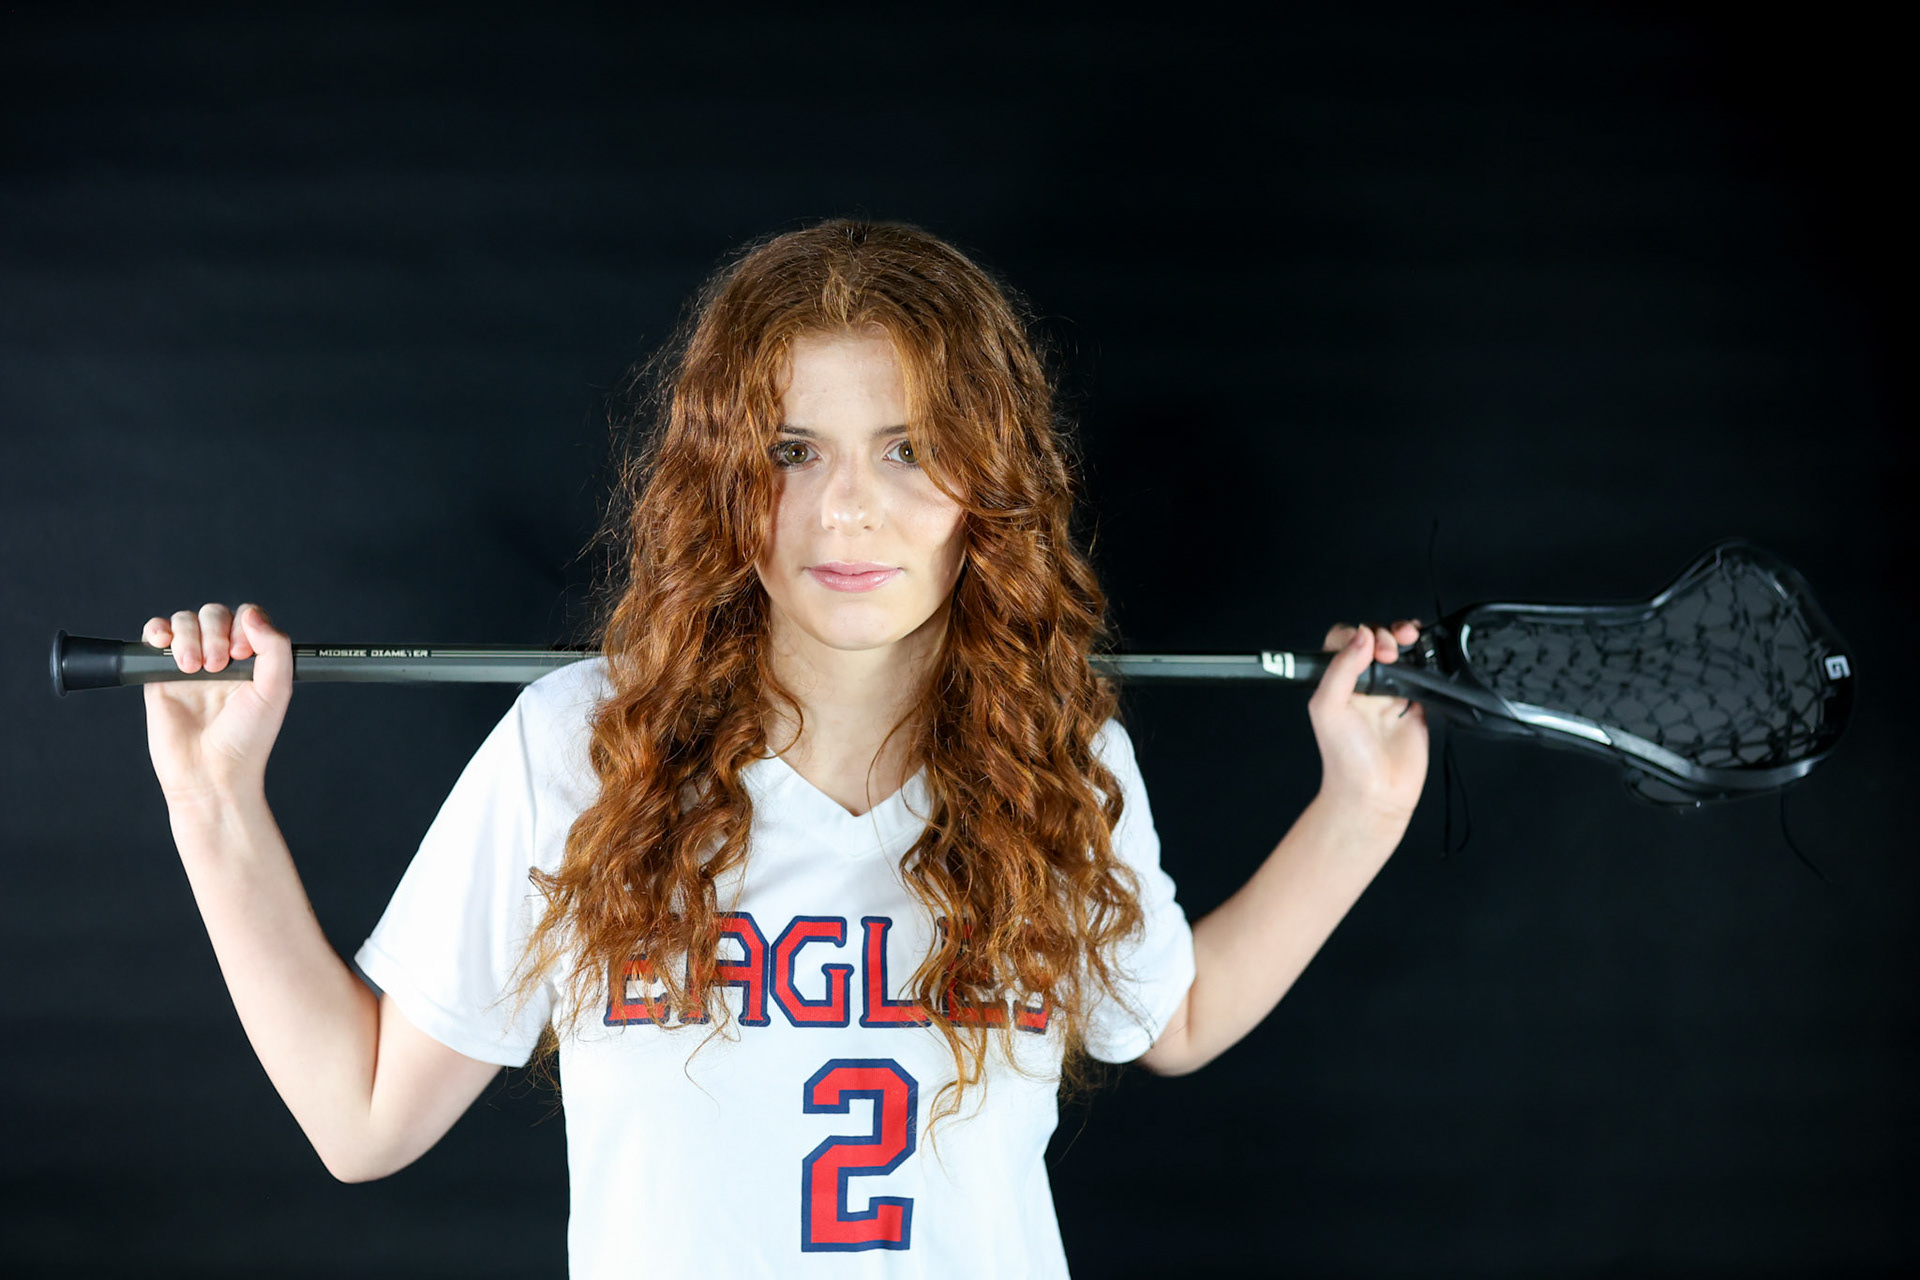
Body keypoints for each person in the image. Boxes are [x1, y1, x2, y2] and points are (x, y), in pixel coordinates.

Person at [140, 219, 1428, 1277]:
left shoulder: (1058, 748)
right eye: (792, 452)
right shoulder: (582, 747)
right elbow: (361, 1117)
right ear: (721, 477)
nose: (848, 507)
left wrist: (1361, 808)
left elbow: (1174, 1016)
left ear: (988, 482)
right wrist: (214, 801)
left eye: (910, 450)